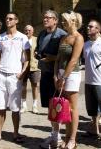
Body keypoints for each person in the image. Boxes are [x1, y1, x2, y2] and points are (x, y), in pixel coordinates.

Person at [0, 12, 30, 143]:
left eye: (11, 19)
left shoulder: (23, 38)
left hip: (14, 77)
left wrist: (22, 73)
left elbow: (27, 59)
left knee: (15, 107)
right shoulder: (1, 38)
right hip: (1, 76)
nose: (8, 21)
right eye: (7, 19)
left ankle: (16, 133)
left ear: (16, 21)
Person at [52, 11, 85, 149]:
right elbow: (58, 59)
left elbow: (73, 60)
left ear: (73, 22)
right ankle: (66, 136)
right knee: (64, 107)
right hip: (60, 74)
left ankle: (73, 138)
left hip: (71, 75)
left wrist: (64, 77)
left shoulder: (78, 38)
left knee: (72, 107)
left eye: (65, 21)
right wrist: (55, 75)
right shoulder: (64, 37)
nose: (62, 23)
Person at [36, 10, 67, 146]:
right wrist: (38, 53)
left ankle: (58, 136)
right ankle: (54, 133)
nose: (45, 20)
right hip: (45, 73)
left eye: (48, 18)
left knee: (57, 105)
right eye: (44, 17)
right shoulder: (42, 34)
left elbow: (65, 56)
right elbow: (38, 48)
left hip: (57, 75)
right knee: (50, 106)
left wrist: (52, 58)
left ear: (55, 20)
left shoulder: (62, 35)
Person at [21, 25, 40, 114]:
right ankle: (24, 105)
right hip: (23, 66)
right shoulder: (21, 39)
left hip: (34, 66)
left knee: (34, 86)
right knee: (23, 86)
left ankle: (35, 105)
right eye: (26, 30)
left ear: (32, 31)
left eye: (29, 30)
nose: (27, 32)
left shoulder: (36, 40)